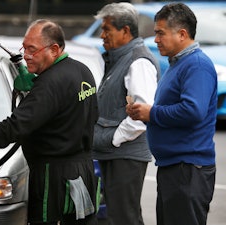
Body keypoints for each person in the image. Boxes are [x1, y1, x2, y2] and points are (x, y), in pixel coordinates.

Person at [0, 19, 99, 225]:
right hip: (83, 171)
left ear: (54, 49)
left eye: (32, 50)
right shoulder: (82, 71)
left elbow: (15, 126)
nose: (25, 56)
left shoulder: (50, 83)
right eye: (24, 48)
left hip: (54, 178)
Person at [126, 3, 217, 225]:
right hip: (175, 168)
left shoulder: (196, 65)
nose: (155, 39)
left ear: (182, 34)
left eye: (160, 33)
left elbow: (193, 111)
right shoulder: (179, 63)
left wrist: (151, 113)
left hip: (187, 171)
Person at [91, 3, 160, 225]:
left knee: (124, 217)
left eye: (107, 30)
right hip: (116, 153)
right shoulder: (120, 57)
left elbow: (142, 113)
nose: (102, 36)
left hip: (125, 154)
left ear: (126, 31)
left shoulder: (138, 61)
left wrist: (114, 138)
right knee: (116, 215)